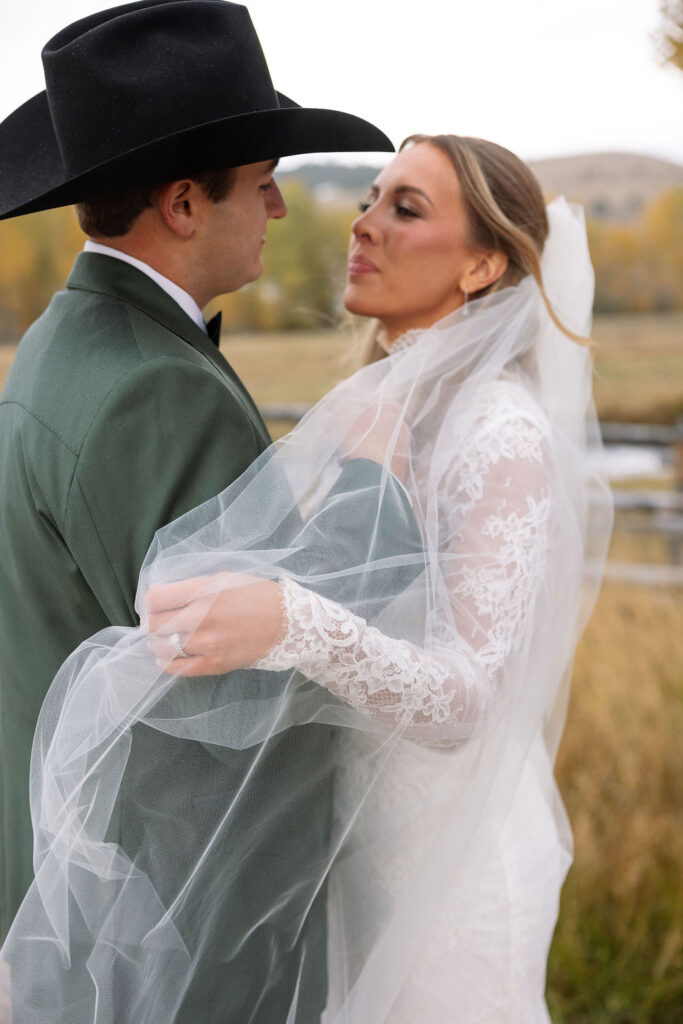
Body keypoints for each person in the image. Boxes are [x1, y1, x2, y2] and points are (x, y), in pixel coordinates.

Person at [0, 134, 613, 1022]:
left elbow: (468, 698)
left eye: (405, 207)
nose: (362, 224)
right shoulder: (370, 409)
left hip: (441, 849)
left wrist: (295, 623)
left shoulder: (500, 431)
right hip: (350, 843)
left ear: (482, 266)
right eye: (369, 199)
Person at [0, 1, 417, 1019]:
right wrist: (374, 482)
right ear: (184, 204)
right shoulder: (154, 389)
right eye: (264, 182)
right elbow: (233, 679)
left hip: (84, 888)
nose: (278, 208)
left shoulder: (64, 340)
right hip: (169, 926)